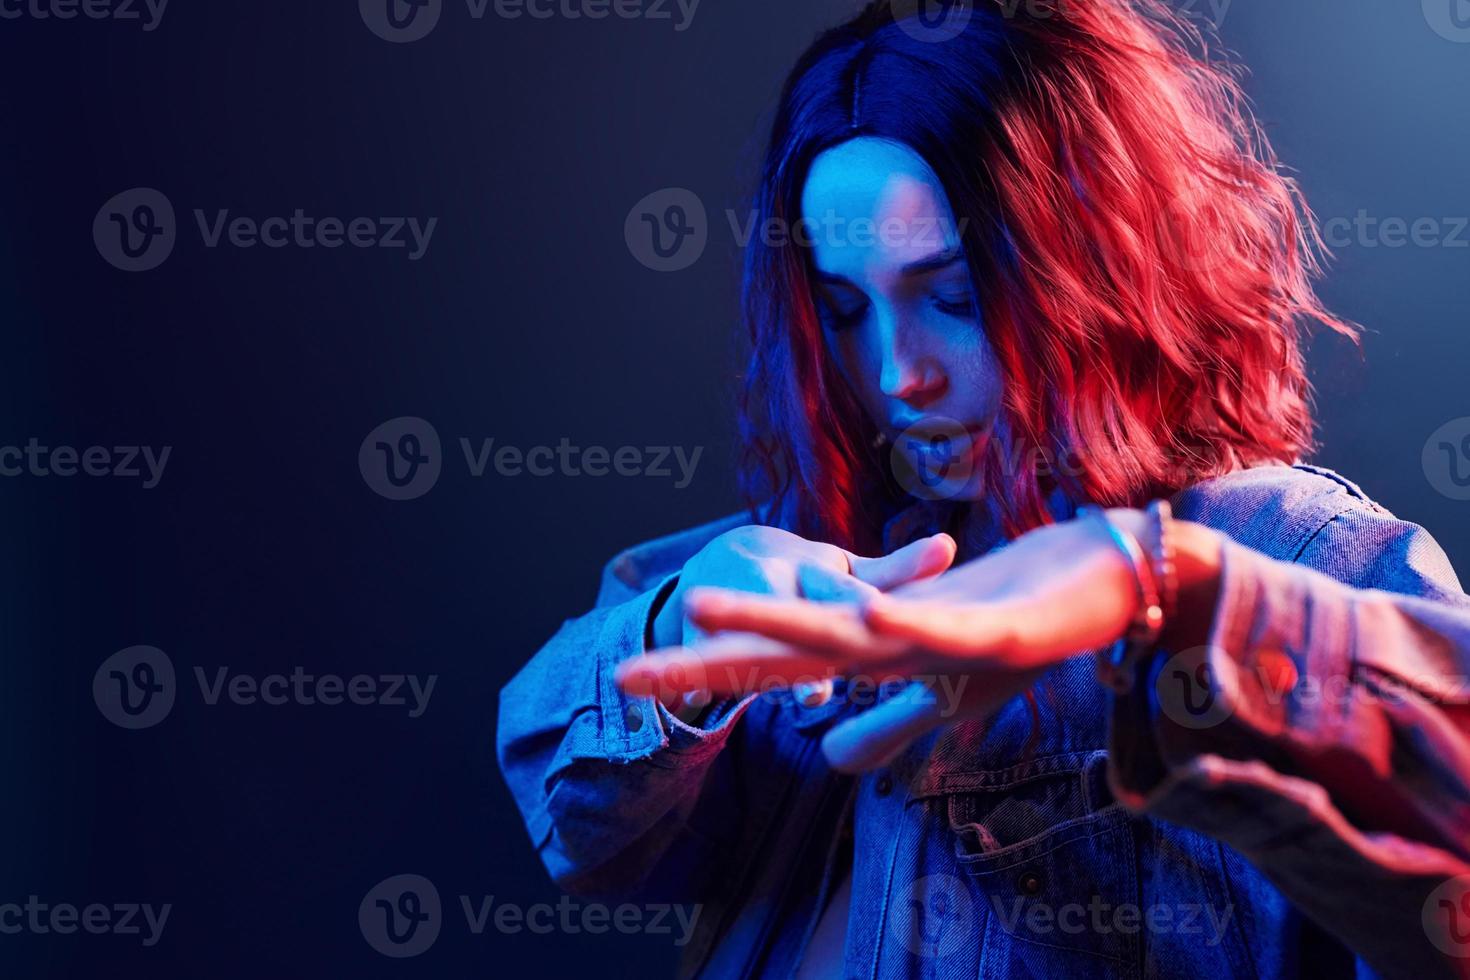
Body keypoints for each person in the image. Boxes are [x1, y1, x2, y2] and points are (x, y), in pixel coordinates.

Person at [497, 2, 1470, 976]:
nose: (896, 372)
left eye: (953, 296)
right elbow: (582, 830)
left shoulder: (1295, 550)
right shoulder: (836, 556)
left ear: (1105, 271)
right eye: (844, 309)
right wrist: (685, 634)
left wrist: (1159, 587)